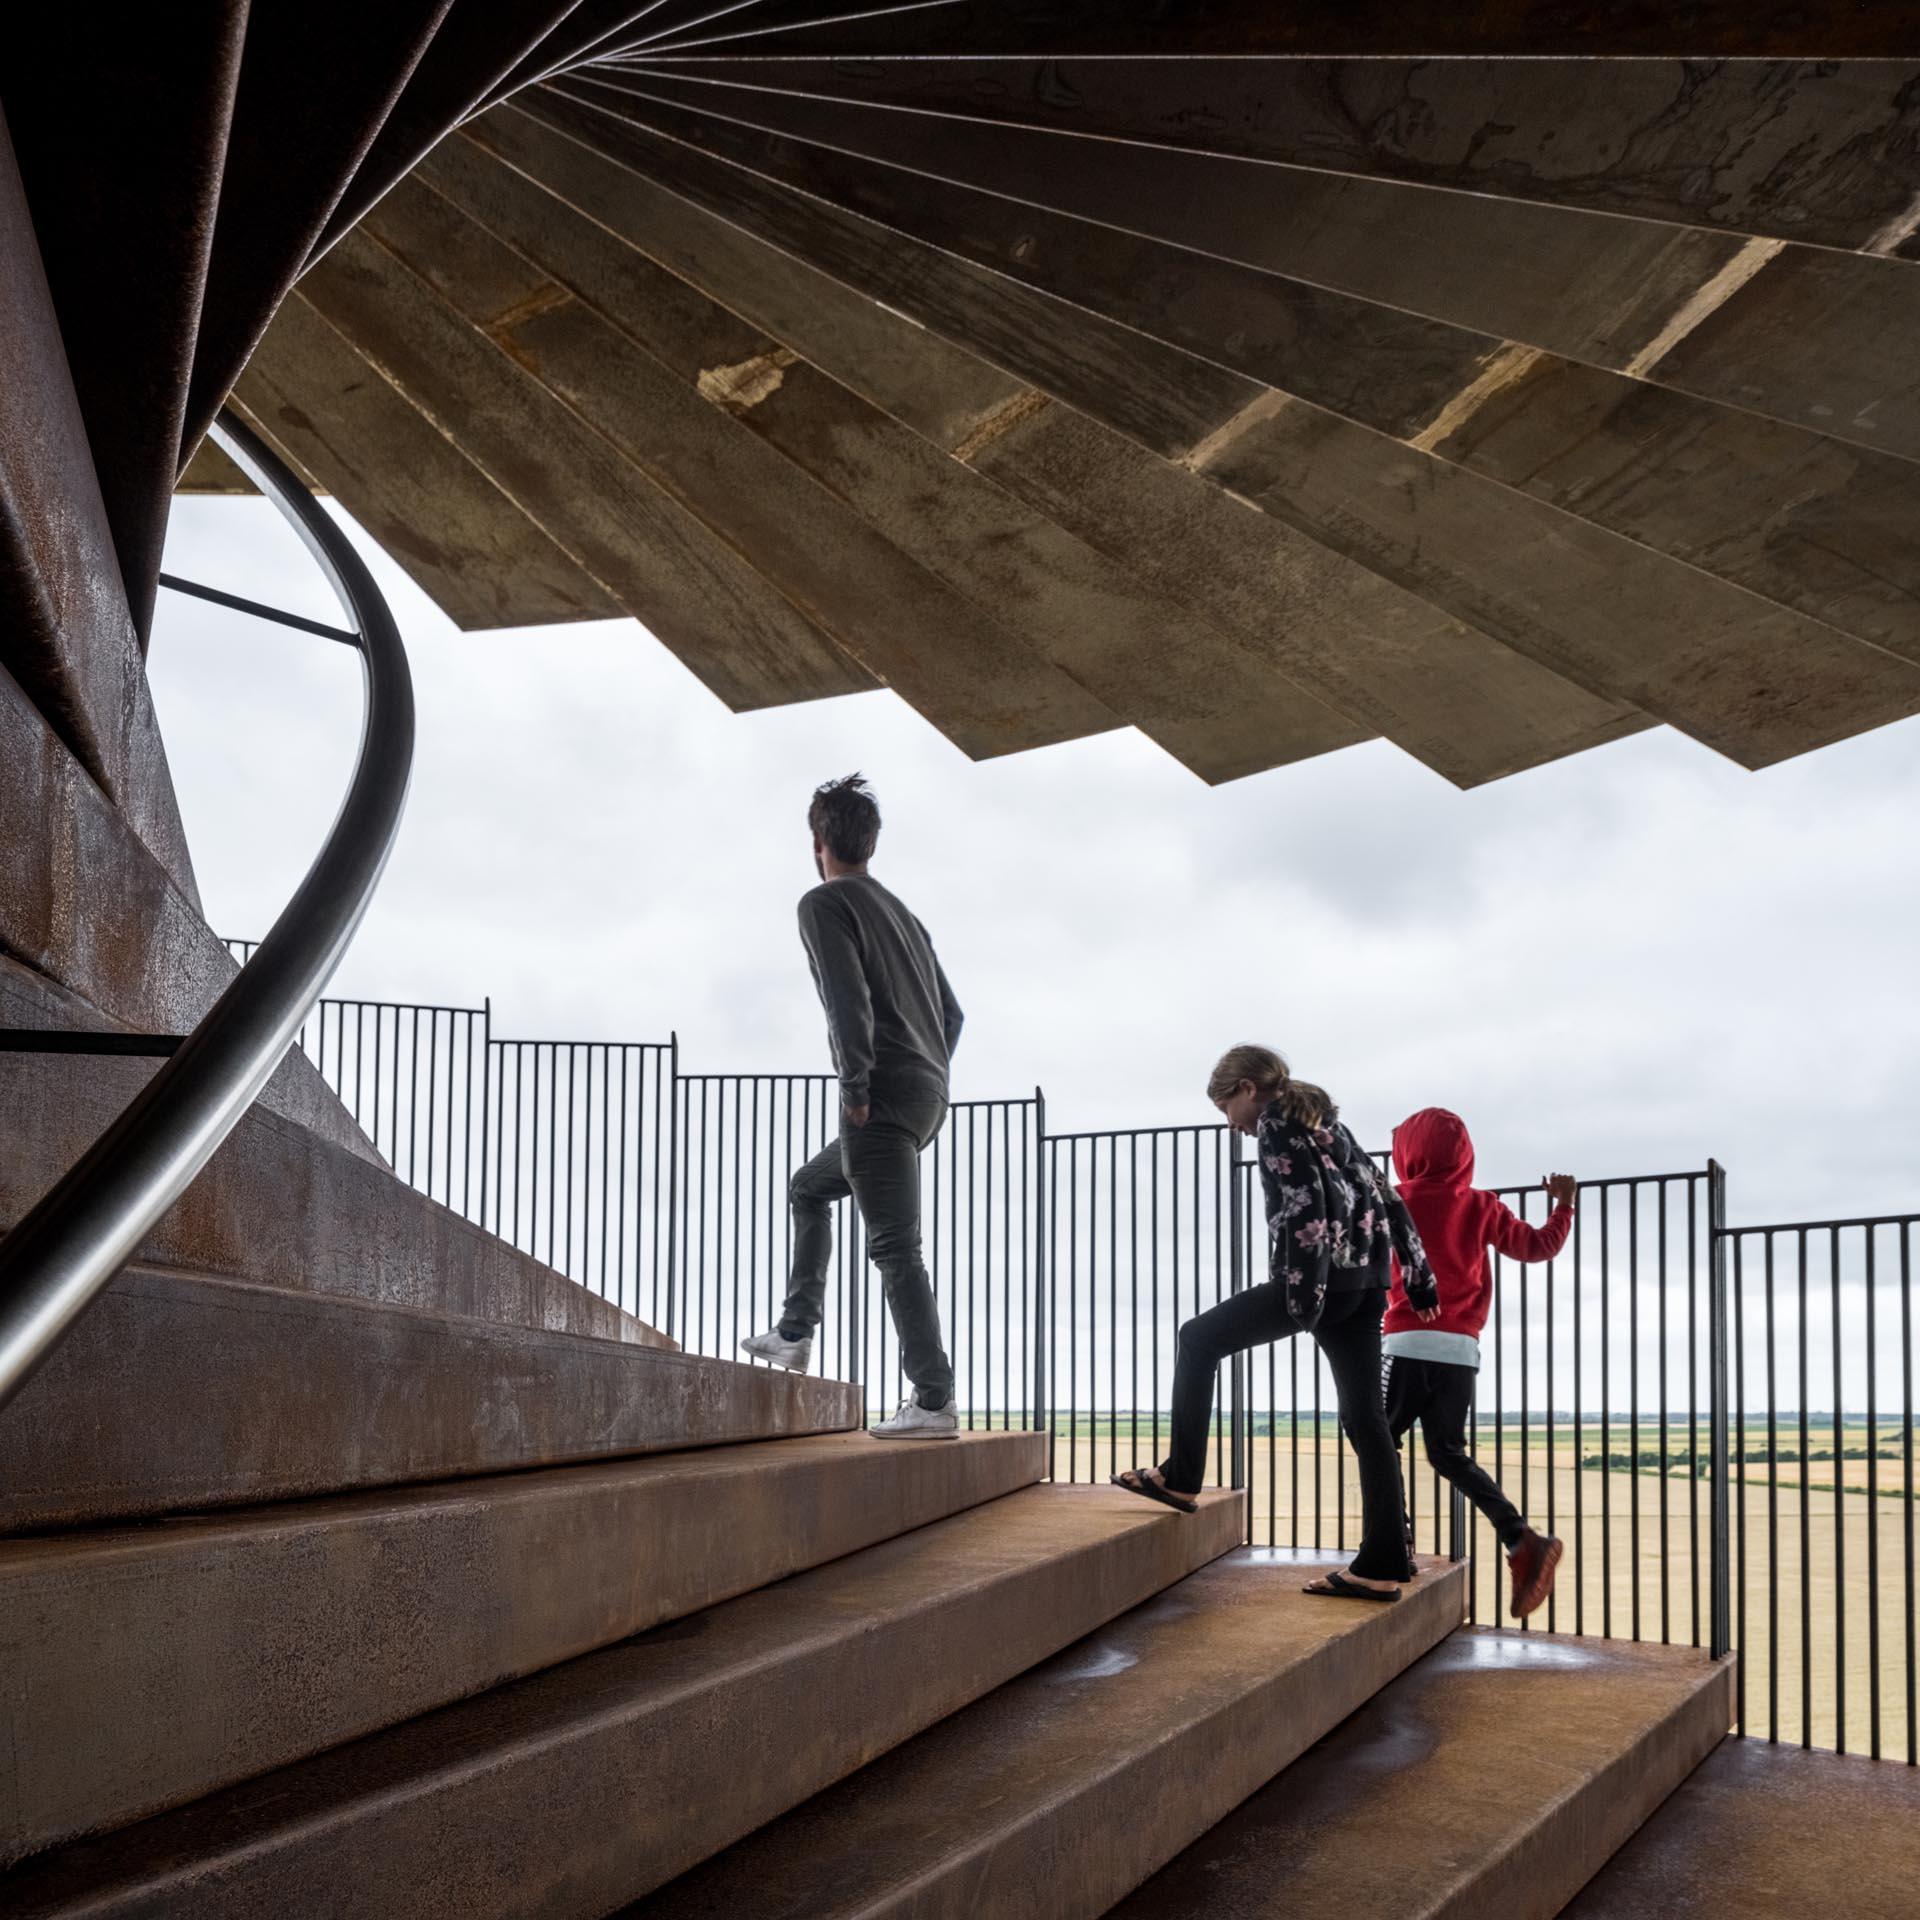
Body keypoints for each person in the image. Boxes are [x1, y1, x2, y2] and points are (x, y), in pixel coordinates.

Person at [1112, 1045, 1440, 1602]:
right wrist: (1418, 1276)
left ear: (1246, 1088)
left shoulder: (1276, 1124)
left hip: (1317, 1284)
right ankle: (1385, 1559)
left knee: (1197, 1340)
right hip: (1365, 1287)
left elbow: (1303, 1210)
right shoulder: (1330, 1125)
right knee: (1366, 1421)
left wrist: (1303, 1297)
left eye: (1224, 1110)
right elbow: (1389, 1200)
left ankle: (1181, 1476)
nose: (1229, 1124)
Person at [740, 774, 965, 1439]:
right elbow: (952, 1014)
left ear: (819, 843)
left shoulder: (825, 904)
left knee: (896, 1248)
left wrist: (858, 1089)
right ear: (871, 841)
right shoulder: (906, 915)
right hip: (925, 1098)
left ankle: (933, 1401)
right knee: (809, 1188)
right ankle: (793, 1332)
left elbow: (847, 1003)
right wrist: (928, 1071)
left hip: (882, 1102)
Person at [1383, 1106, 1574, 1619]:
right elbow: (1538, 1247)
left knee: (1374, 1436)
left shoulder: (1394, 1201)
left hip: (1404, 1343)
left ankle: (1391, 1545)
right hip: (1460, 1351)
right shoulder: (1481, 1204)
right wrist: (1563, 1207)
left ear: (1408, 1154)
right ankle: (1520, 1539)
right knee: (1446, 1452)